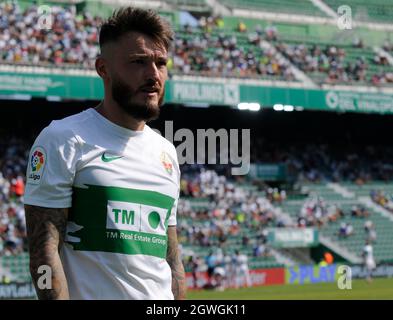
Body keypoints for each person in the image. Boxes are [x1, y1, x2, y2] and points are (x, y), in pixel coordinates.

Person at [23, 7, 186, 300]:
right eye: (139, 62)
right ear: (103, 69)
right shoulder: (64, 139)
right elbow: (43, 254)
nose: (153, 74)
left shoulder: (166, 153)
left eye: (161, 63)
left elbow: (171, 259)